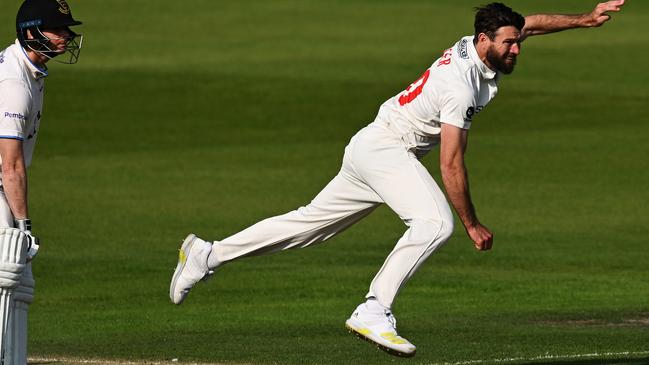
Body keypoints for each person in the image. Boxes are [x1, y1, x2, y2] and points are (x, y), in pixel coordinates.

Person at [170, 1, 624, 357]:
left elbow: (532, 23)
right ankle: (373, 309)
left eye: (517, 41)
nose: (517, 49)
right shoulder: (460, 86)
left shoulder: (485, 41)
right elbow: (450, 164)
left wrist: (586, 19)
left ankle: (207, 254)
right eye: (509, 43)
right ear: (484, 40)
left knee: (308, 226)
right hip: (387, 149)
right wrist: (471, 223)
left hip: (373, 144)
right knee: (435, 224)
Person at [0, 0, 82, 362]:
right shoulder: (14, 82)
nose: (67, 37)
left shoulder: (29, 68)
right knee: (7, 277)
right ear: (31, 33)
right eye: (59, 30)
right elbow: (11, 165)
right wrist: (23, 224)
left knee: (19, 284)